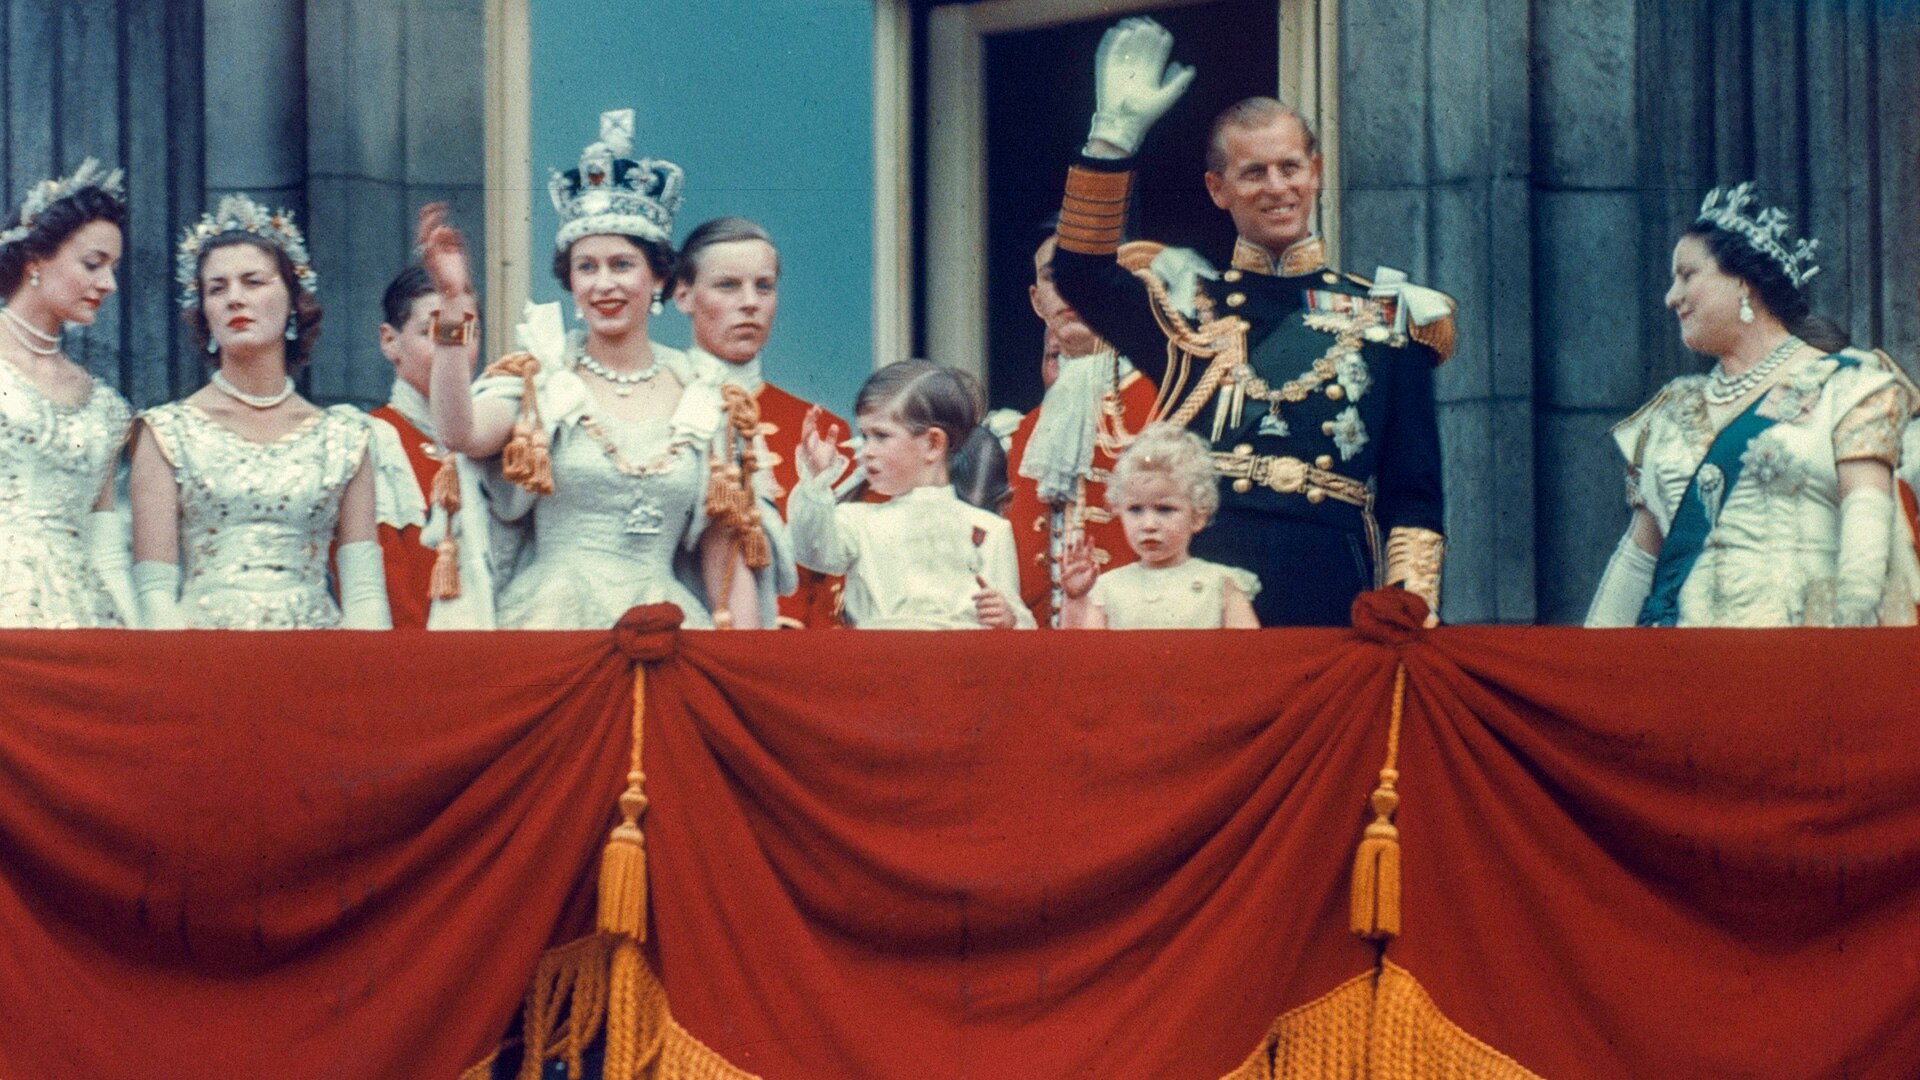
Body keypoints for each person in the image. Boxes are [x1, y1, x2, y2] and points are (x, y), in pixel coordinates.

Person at [1049, 17, 1453, 627]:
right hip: (1207, 578)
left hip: (1331, 578)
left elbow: (1413, 493)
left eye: (1290, 167)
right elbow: (1078, 273)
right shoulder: (1186, 309)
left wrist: (1410, 604)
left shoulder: (1389, 318)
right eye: (1253, 172)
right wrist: (1112, 139)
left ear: (1315, 171)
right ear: (1218, 188)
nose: (1277, 187)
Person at [423, 109, 786, 630]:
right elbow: (458, 432)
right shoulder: (538, 380)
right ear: (569, 283)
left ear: (660, 279)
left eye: (622, 265)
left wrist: (743, 674)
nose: (603, 284)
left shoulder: (706, 394)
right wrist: (454, 305)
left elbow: (724, 553)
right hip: (553, 623)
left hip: (669, 626)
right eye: (586, 267)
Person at [1586, 183, 1919, 627]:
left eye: (1687, 275)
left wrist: (1846, 655)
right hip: (1684, 663)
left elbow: (1866, 530)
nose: (1671, 296)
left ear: (1743, 282)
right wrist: (1588, 673)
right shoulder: (1671, 411)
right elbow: (1637, 560)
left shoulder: (1848, 386)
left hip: (1799, 659)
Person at [129, 194, 390, 630]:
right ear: (204, 314)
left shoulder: (346, 436)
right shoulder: (165, 432)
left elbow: (364, 594)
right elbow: (154, 593)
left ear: (292, 302)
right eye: (217, 288)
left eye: (253, 282)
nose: (235, 299)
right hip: (201, 661)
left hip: (315, 661)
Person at [673, 215, 845, 628]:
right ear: (684, 295)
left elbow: (839, 576)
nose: (749, 302)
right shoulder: (663, 409)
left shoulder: (821, 429)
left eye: (763, 286)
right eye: (727, 285)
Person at [789, 360, 1034, 629]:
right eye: (865, 435)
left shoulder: (991, 531)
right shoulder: (856, 520)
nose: (867, 450)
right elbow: (811, 549)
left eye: (881, 436)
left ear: (933, 443)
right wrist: (816, 482)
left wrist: (1009, 618)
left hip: (961, 666)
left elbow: (1016, 624)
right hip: (878, 662)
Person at [0, 159, 136, 627]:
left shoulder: (105, 407)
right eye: (93, 264)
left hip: (84, 620)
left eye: (113, 268)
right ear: (36, 260)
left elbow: (106, 548)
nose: (108, 284)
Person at [1006, 230, 1159, 626]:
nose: (1071, 290)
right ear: (1037, 301)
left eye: (1086, 273)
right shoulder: (1028, 428)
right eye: (1055, 276)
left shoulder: (1165, 399)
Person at [1060, 423, 1259, 629]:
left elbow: (1248, 654)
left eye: (1165, 509)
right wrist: (1076, 599)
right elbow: (1083, 654)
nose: (1149, 525)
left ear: (1198, 516)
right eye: (1135, 509)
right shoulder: (1107, 588)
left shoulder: (1222, 584)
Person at [367, 264, 467, 628]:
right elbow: (386, 590)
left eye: (462, 331)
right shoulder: (376, 439)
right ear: (390, 341)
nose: (451, 347)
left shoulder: (495, 441)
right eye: (431, 332)